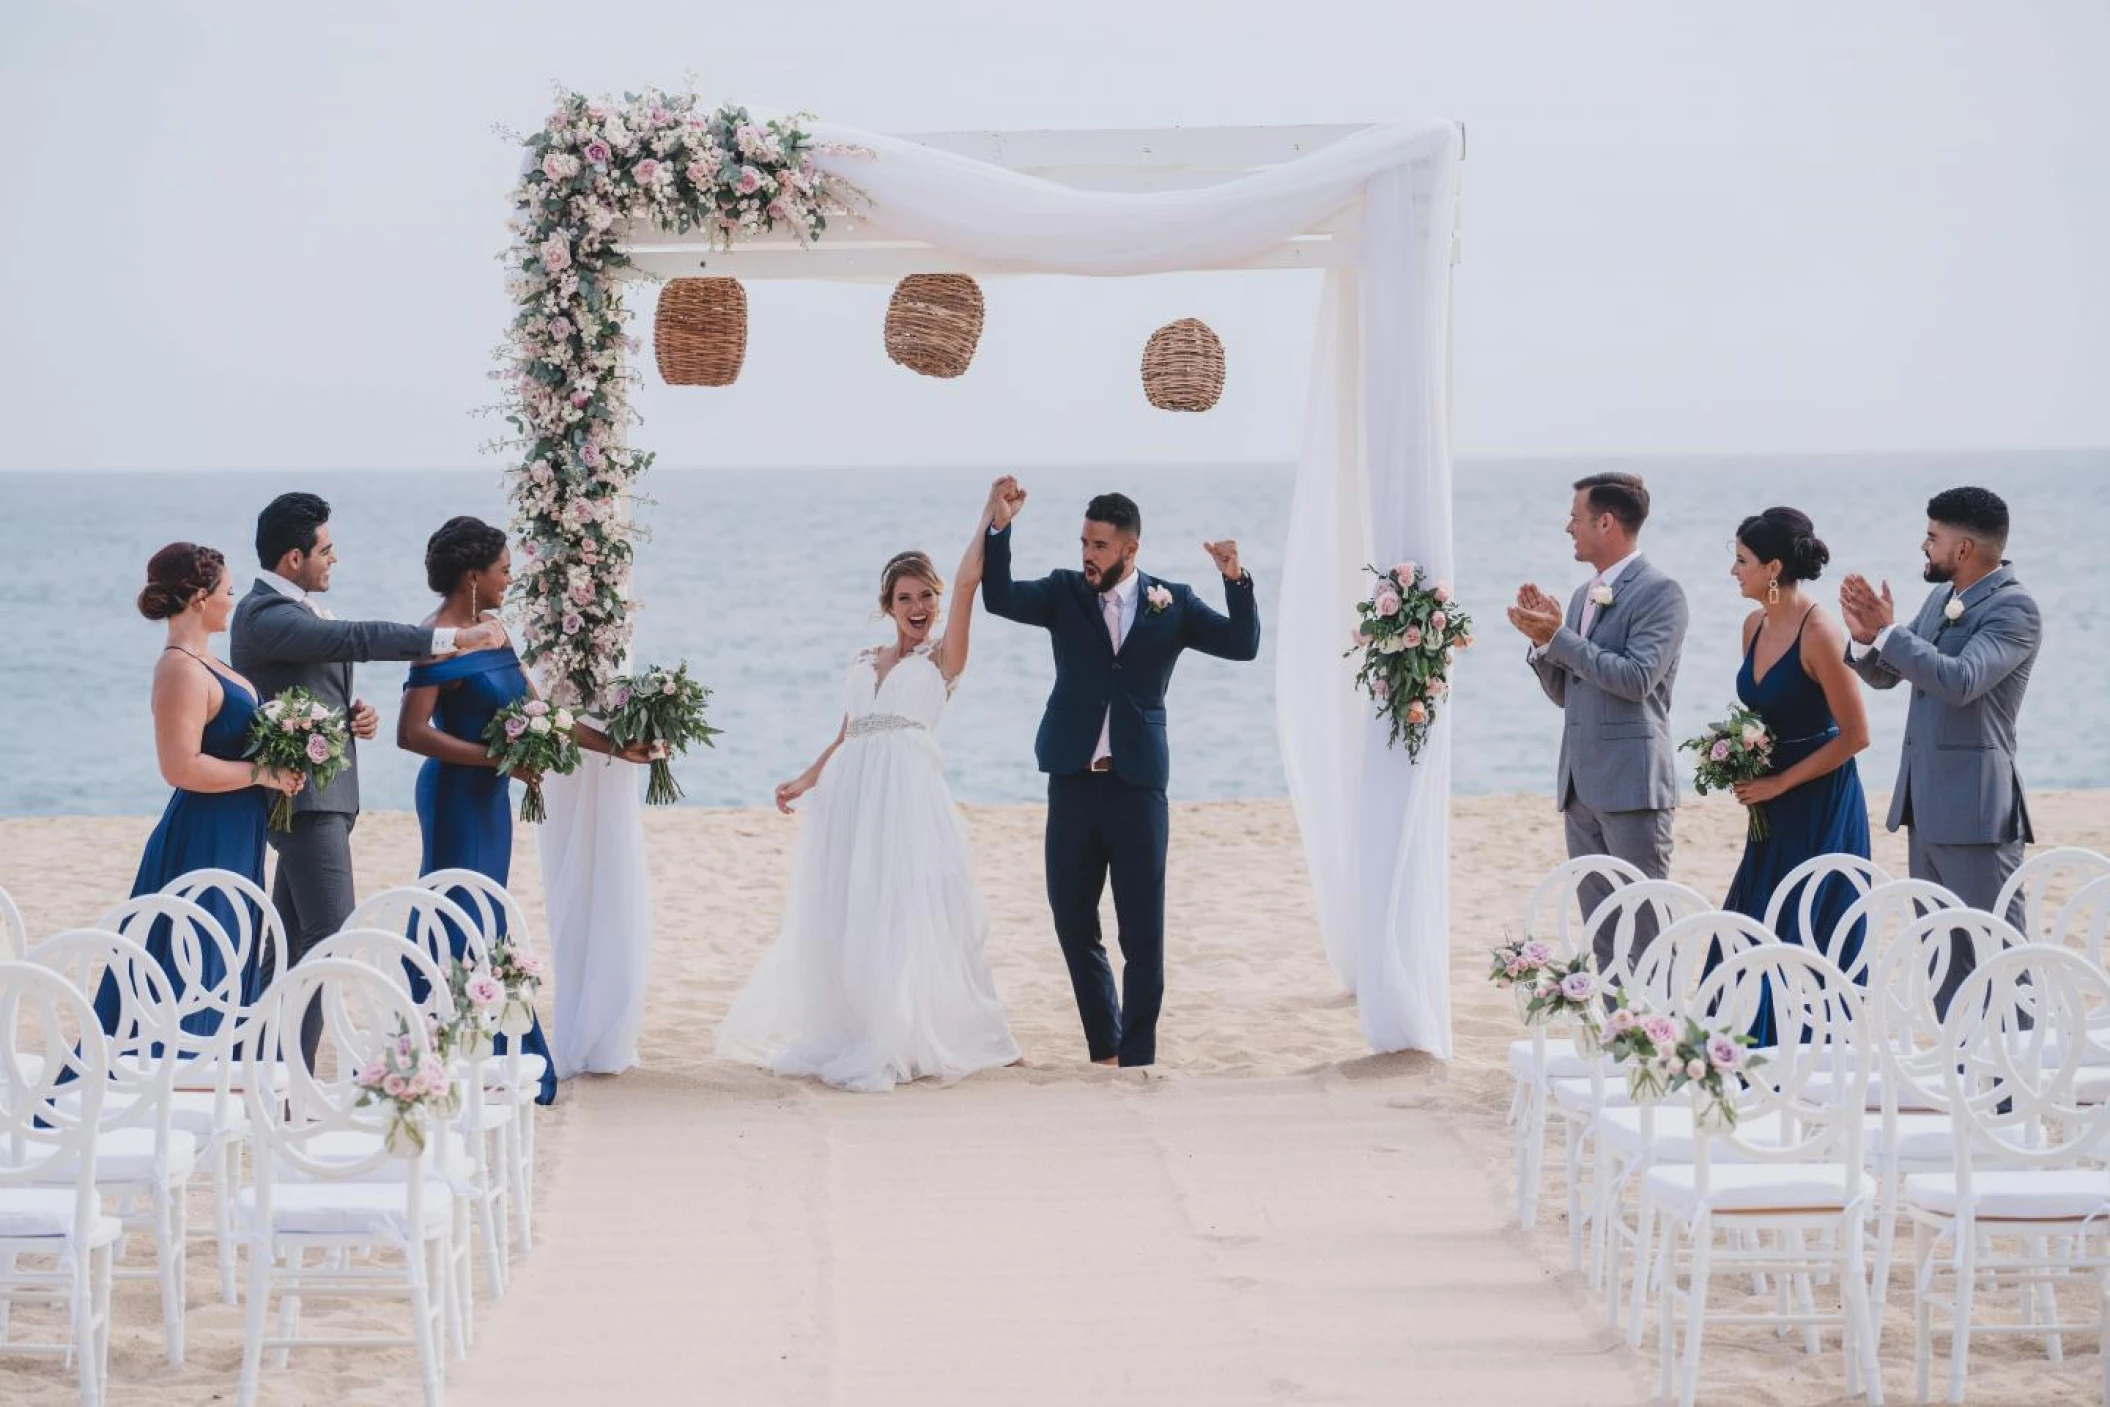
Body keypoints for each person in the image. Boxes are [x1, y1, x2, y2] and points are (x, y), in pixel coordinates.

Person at [715, 504, 1020, 1092]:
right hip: (852, 794)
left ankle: (915, 1031)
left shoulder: (944, 659)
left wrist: (991, 516)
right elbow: (847, 732)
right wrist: (808, 778)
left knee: (911, 909)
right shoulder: (863, 660)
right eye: (905, 599)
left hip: (907, 797)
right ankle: (861, 1024)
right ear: (888, 606)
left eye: (925, 597)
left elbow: (967, 583)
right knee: (853, 909)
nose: (918, 609)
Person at [978, 475, 1260, 1070]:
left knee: (1142, 933)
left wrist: (1235, 579)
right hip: (1073, 782)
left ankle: (1137, 1057)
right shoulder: (1062, 593)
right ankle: (1103, 1048)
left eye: (1100, 546)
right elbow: (998, 597)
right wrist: (999, 526)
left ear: (1131, 550)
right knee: (1072, 919)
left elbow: (1242, 644)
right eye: (1084, 542)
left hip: (1137, 787)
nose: (1087, 554)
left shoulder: (1172, 602)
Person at [230, 492, 503, 1056]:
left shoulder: (293, 611)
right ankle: (289, 1077)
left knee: (288, 949)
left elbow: (312, 682)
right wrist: (452, 638)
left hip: (323, 796)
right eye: (326, 550)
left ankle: (257, 1071)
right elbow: (357, 638)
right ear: (292, 560)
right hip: (305, 801)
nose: (335, 559)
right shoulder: (265, 614)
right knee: (329, 939)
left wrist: (351, 717)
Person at [397, 516, 646, 1105]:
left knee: (488, 912)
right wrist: (495, 758)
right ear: (473, 576)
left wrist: (616, 747)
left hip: (490, 797)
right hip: (455, 796)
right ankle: (446, 1046)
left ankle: (480, 1046)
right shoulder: (435, 640)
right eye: (505, 569)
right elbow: (411, 733)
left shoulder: (495, 628)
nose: (512, 578)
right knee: (459, 912)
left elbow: (538, 715)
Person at [1841, 486, 2041, 1003]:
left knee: (1999, 960)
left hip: (1977, 814)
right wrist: (1868, 638)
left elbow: (1959, 681)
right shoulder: (1939, 598)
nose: (1924, 547)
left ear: (1965, 549)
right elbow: (1890, 674)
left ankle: (2013, 1083)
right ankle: (1962, 1077)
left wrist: (1889, 632)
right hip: (1925, 809)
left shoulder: (2014, 609)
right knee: (1943, 960)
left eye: (1932, 537)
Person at [113, 543, 303, 1035]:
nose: (231, 601)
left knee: (231, 943)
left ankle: (218, 1069)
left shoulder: (208, 660)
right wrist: (263, 774)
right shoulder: (178, 667)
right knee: (199, 954)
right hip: (204, 833)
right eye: (228, 592)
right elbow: (180, 767)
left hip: (240, 828)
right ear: (200, 597)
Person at [1509, 472, 1689, 973]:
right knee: (1602, 935)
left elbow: (1636, 679)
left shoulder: (1661, 592)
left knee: (1648, 929)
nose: (1568, 527)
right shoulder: (1581, 595)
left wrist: (1562, 639)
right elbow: (1568, 694)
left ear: (1606, 521)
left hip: (1632, 785)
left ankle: (1659, 1043)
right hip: (1580, 786)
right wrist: (1543, 643)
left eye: (1576, 516)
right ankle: (1615, 1043)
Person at [1717, 509, 1871, 1044]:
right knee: (1751, 922)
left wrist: (1781, 783)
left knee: (1807, 929)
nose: (1733, 571)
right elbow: (1759, 716)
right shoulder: (1754, 624)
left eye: (1741, 561)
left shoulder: (1820, 632)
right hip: (1769, 804)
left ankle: (1812, 1058)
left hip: (1819, 801)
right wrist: (1738, 754)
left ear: (1774, 567)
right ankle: (1742, 1052)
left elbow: (1855, 736)